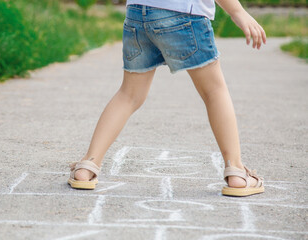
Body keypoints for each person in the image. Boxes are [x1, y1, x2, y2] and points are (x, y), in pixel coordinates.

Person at [68, 0, 265, 197]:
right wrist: (237, 11)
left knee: (129, 95)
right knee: (214, 91)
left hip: (139, 12)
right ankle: (236, 171)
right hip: (184, 13)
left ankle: (88, 165)